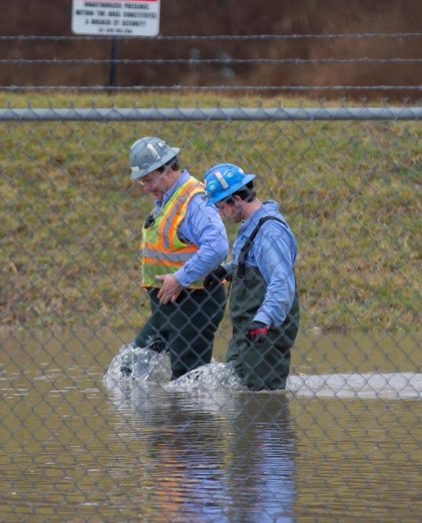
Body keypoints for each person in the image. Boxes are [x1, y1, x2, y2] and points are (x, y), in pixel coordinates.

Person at [128, 136, 228, 380]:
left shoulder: (194, 199)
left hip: (195, 302)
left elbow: (217, 246)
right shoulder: (166, 199)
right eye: (142, 181)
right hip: (169, 306)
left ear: (168, 169)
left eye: (149, 179)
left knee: (187, 380)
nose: (146, 187)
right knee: (131, 370)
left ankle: (194, 419)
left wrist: (180, 278)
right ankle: (167, 417)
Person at [202, 162, 301, 391]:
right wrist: (227, 271)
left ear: (236, 200)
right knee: (237, 391)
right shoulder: (251, 225)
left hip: (265, 330)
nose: (220, 213)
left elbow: (281, 281)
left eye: (220, 206)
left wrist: (264, 321)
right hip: (248, 330)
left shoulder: (270, 231)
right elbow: (252, 263)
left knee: (263, 399)